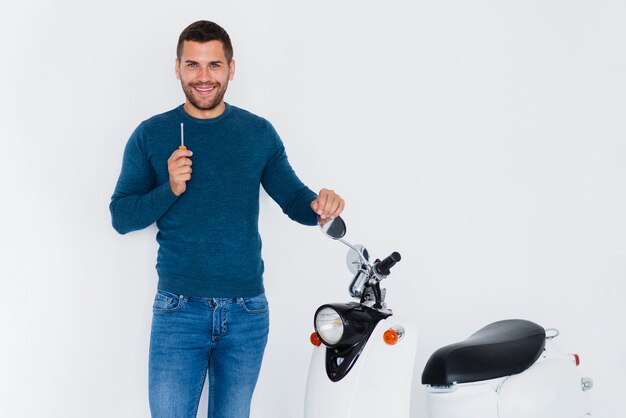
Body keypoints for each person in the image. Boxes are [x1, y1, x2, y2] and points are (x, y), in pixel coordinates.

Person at [109, 20, 344, 418]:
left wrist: (322, 204)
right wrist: (169, 187)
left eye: (214, 66)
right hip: (178, 311)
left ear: (232, 68)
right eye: (193, 66)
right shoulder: (151, 134)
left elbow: (293, 199)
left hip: (246, 314)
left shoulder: (258, 133)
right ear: (177, 67)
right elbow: (121, 217)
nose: (203, 78)